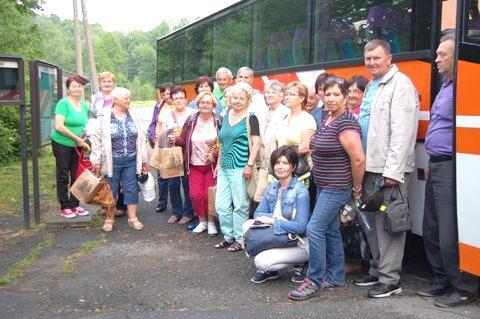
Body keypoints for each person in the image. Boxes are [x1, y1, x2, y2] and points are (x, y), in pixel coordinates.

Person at [288, 77, 365, 301]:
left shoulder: (346, 123)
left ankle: (314, 280)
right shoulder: (330, 118)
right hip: (324, 184)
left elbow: (359, 160)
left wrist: (356, 188)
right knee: (330, 230)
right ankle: (336, 277)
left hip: (337, 186)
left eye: (336, 95)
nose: (330, 99)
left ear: (345, 96)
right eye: (327, 94)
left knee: (314, 228)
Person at [354, 39, 419, 298]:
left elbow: (403, 134)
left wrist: (393, 172)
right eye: (368, 58)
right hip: (371, 166)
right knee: (372, 224)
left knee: (389, 225)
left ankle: (390, 280)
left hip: (388, 170)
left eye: (377, 58)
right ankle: (377, 269)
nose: (371, 62)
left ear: (389, 58)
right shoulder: (371, 86)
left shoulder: (401, 85)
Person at [417, 33, 478, 307]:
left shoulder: (466, 86)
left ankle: (463, 287)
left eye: (443, 54)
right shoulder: (446, 84)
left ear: (458, 57)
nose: (436, 58)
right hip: (437, 164)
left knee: (448, 231)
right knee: (430, 227)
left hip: (452, 166)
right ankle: (441, 280)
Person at [247, 146, 310, 284]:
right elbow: (258, 214)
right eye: (277, 163)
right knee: (248, 225)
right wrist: (277, 219)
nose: (280, 167)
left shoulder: (300, 191)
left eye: (285, 163)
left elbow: (300, 226)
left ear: (293, 167)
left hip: (299, 242)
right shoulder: (273, 187)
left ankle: (305, 263)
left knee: (261, 262)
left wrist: (274, 222)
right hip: (280, 235)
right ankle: (273, 270)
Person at [90, 87, 147, 232]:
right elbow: (96, 139)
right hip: (112, 161)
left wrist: (144, 160)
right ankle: (109, 218)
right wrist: (96, 160)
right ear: (116, 100)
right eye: (126, 98)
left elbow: (141, 138)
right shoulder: (105, 117)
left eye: (129, 97)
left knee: (131, 189)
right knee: (111, 190)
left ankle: (132, 218)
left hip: (131, 160)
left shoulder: (133, 115)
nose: (129, 100)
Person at [214, 82, 261, 252]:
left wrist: (249, 164)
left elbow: (256, 143)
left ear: (248, 100)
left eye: (241, 98)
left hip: (241, 167)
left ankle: (240, 239)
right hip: (225, 168)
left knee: (241, 205)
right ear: (229, 99)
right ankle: (228, 236)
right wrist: (218, 164)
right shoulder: (225, 117)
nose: (237, 100)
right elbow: (223, 143)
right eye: (234, 97)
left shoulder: (251, 117)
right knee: (221, 205)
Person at [175, 91, 222, 235]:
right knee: (195, 195)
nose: (205, 105)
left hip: (211, 166)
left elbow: (222, 141)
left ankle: (212, 222)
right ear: (198, 104)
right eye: (202, 102)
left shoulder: (219, 120)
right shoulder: (191, 119)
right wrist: (174, 139)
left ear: (213, 105)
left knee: (209, 196)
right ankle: (202, 221)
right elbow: (183, 140)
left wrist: (214, 154)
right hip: (194, 165)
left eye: (208, 102)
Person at [51, 75, 91, 218]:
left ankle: (75, 205)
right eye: (74, 86)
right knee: (63, 175)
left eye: (80, 86)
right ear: (68, 88)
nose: (77, 89)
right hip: (62, 144)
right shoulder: (63, 103)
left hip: (79, 146)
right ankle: (65, 206)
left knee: (77, 175)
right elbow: (59, 126)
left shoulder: (85, 105)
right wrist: (76, 139)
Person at [89, 71, 127, 217]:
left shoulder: (118, 96)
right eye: (104, 81)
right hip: (101, 139)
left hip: (117, 140)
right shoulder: (94, 99)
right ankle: (106, 205)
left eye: (109, 81)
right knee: (105, 174)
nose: (106, 84)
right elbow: (91, 118)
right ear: (99, 84)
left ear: (113, 83)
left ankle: (121, 206)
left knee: (121, 174)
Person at [164, 86, 196, 224]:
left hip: (189, 154)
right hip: (173, 154)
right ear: (171, 100)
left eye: (181, 98)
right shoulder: (167, 115)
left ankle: (189, 212)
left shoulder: (193, 113)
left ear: (186, 99)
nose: (178, 100)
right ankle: (176, 211)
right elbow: (164, 134)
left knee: (188, 184)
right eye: (175, 98)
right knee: (173, 184)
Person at [276, 82, 317, 185]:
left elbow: (306, 147)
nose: (287, 97)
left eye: (292, 94)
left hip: (300, 172)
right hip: (283, 168)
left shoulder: (307, 118)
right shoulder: (284, 118)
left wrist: (282, 153)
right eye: (286, 94)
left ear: (302, 98)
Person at [147, 83, 174, 214]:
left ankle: (177, 204)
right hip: (160, 144)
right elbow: (153, 123)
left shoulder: (178, 104)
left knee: (175, 175)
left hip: (174, 144)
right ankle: (162, 201)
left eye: (168, 93)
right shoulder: (159, 105)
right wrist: (153, 137)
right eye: (163, 94)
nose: (166, 96)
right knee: (161, 175)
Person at [263, 80, 290, 167]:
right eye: (268, 92)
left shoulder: (287, 113)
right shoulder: (260, 112)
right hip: (261, 159)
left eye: (274, 92)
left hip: (278, 158)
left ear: (282, 96)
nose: (270, 95)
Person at [235, 66, 268, 135]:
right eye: (240, 77)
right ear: (237, 78)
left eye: (246, 77)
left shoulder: (258, 97)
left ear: (252, 80)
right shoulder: (231, 95)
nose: (242, 80)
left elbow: (262, 120)